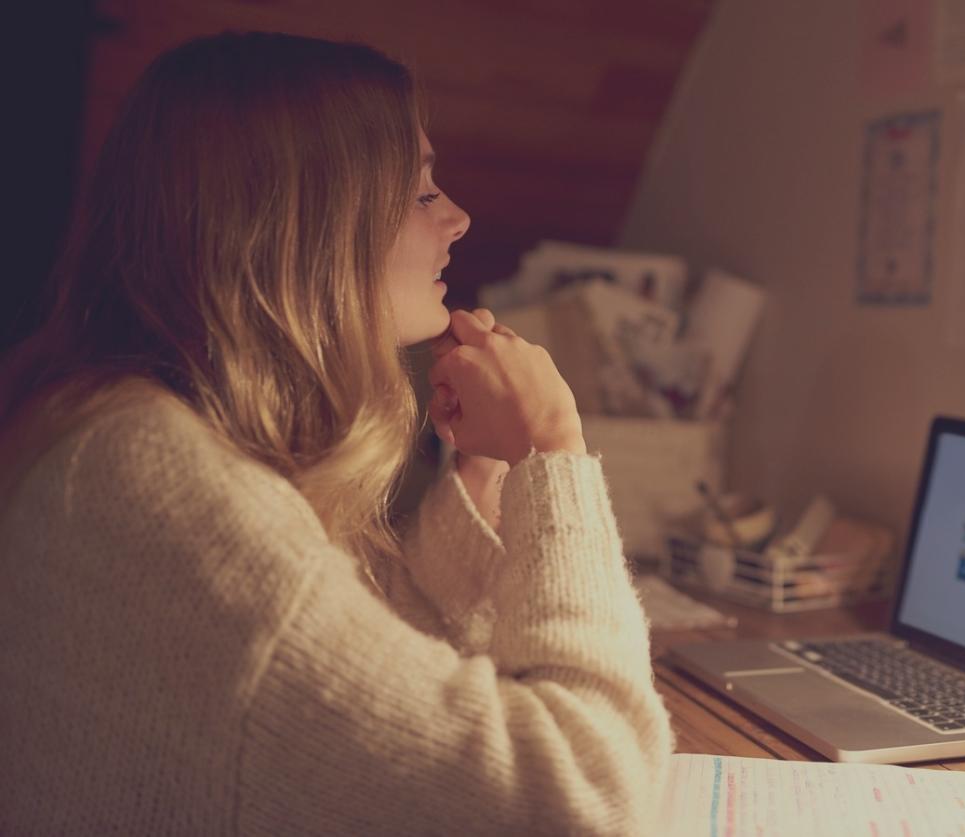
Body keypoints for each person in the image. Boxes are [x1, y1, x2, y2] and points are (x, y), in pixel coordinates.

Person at [0, 31, 671, 834]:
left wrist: (487, 471)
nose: (457, 216)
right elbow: (584, 797)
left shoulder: (136, 428)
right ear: (301, 223)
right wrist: (553, 450)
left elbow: (370, 682)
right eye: (422, 193)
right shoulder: (147, 478)